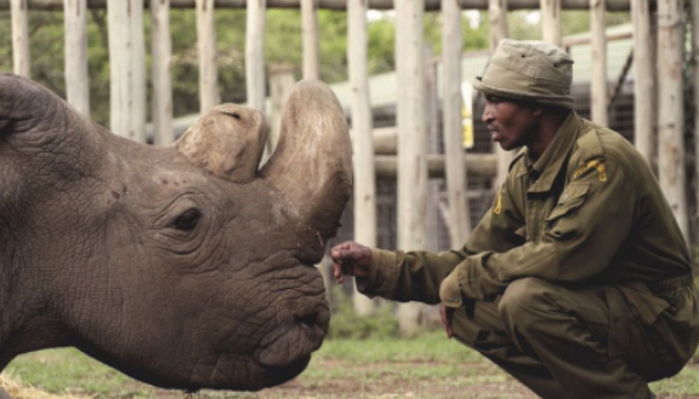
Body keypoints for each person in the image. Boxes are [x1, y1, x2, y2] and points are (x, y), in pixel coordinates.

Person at [331, 39, 699, 399]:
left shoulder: (599, 159)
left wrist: (469, 276)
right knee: (469, 311)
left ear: (536, 105)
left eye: (495, 100)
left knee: (525, 300)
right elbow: (468, 259)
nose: (486, 114)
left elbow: (564, 257)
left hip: (659, 323)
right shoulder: (527, 170)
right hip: (604, 311)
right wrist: (380, 267)